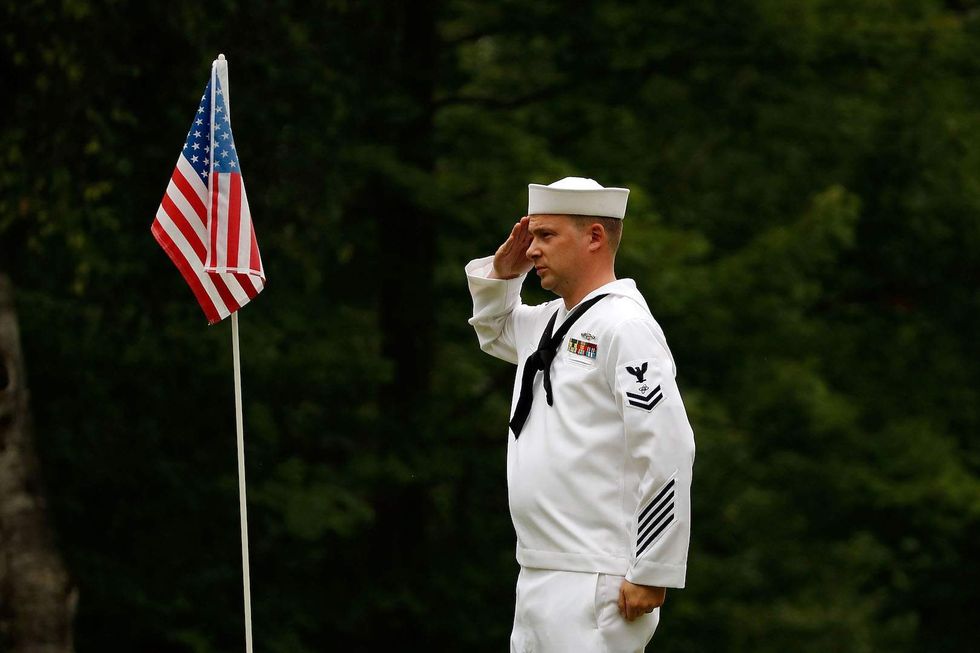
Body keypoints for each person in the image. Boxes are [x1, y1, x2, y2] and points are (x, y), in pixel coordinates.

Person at [465, 177, 696, 652]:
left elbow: (668, 448)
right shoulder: (551, 321)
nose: (532, 249)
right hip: (538, 568)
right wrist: (502, 275)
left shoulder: (624, 326)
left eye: (546, 235)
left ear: (594, 237)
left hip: (596, 575)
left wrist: (653, 567)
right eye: (532, 236)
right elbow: (494, 329)